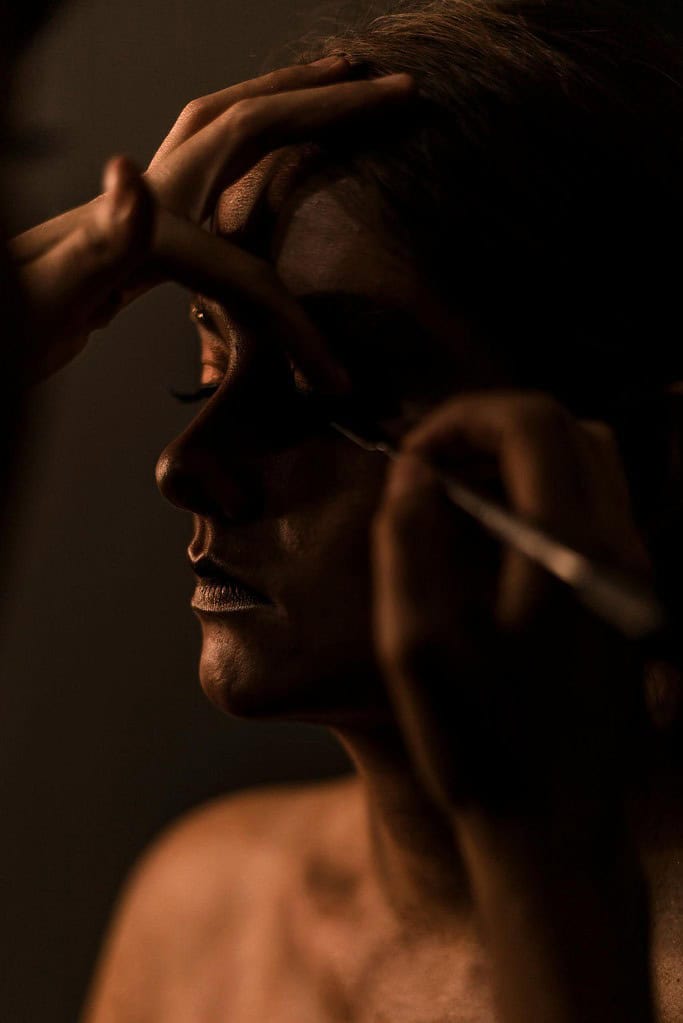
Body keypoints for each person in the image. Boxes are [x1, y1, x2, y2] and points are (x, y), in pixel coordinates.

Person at [9, 1, 683, 1021]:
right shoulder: (202, 910)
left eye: (339, 392)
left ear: (640, 459)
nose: (188, 468)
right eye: (206, 366)